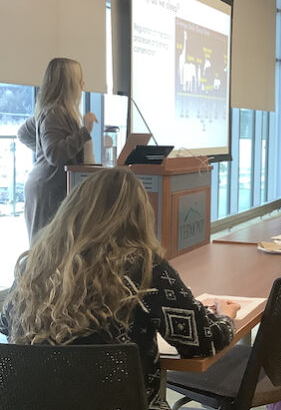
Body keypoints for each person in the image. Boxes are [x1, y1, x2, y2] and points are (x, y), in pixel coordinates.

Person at [0, 169, 237, 410]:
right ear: (138, 216)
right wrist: (225, 317)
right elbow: (203, 342)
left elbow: (5, 324)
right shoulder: (144, 266)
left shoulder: (34, 265)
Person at [16, 58, 98, 242]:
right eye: (79, 80)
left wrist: (41, 152)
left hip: (50, 188)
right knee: (44, 253)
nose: (83, 84)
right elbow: (54, 154)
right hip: (48, 190)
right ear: (68, 84)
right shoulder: (54, 113)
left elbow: (24, 133)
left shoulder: (55, 112)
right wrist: (84, 132)